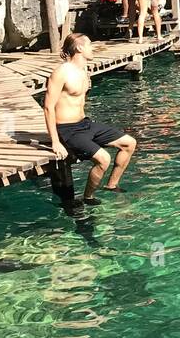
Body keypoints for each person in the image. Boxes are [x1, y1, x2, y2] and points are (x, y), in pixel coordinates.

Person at [43, 34, 137, 208]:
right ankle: (88, 197)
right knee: (104, 159)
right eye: (89, 45)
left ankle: (111, 185)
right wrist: (55, 142)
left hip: (84, 123)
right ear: (79, 48)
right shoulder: (60, 73)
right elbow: (48, 107)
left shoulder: (84, 70)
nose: (92, 48)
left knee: (129, 143)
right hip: (66, 129)